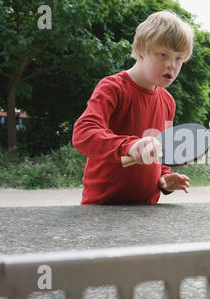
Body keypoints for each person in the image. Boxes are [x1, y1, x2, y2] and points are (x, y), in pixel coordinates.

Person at [72, 11, 194, 205]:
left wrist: (163, 178)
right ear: (140, 49)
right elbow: (83, 133)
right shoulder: (112, 88)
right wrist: (129, 146)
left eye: (179, 58)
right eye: (163, 55)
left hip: (146, 210)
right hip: (103, 207)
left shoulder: (168, 102)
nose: (172, 65)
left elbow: (159, 151)